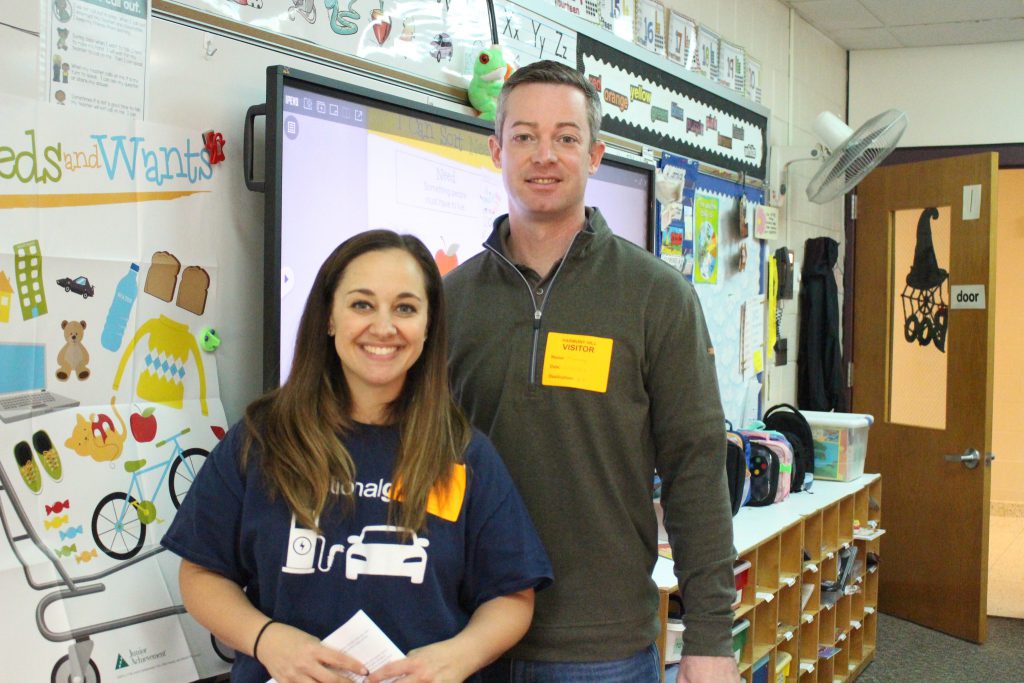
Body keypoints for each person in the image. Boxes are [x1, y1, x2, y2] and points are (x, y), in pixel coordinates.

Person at [445, 61, 740, 683]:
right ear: (496, 150)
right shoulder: (450, 299)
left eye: (566, 137)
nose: (543, 155)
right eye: (524, 136)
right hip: (466, 638)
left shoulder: (656, 295)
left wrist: (710, 637)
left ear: (596, 153)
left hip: (601, 648)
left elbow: (695, 466)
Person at [162, 230, 552, 683]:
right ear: (329, 317)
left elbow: (513, 596)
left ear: (428, 326)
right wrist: (267, 639)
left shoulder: (462, 453)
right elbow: (200, 574)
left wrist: (458, 657)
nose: (383, 327)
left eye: (405, 308)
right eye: (362, 304)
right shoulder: (263, 439)